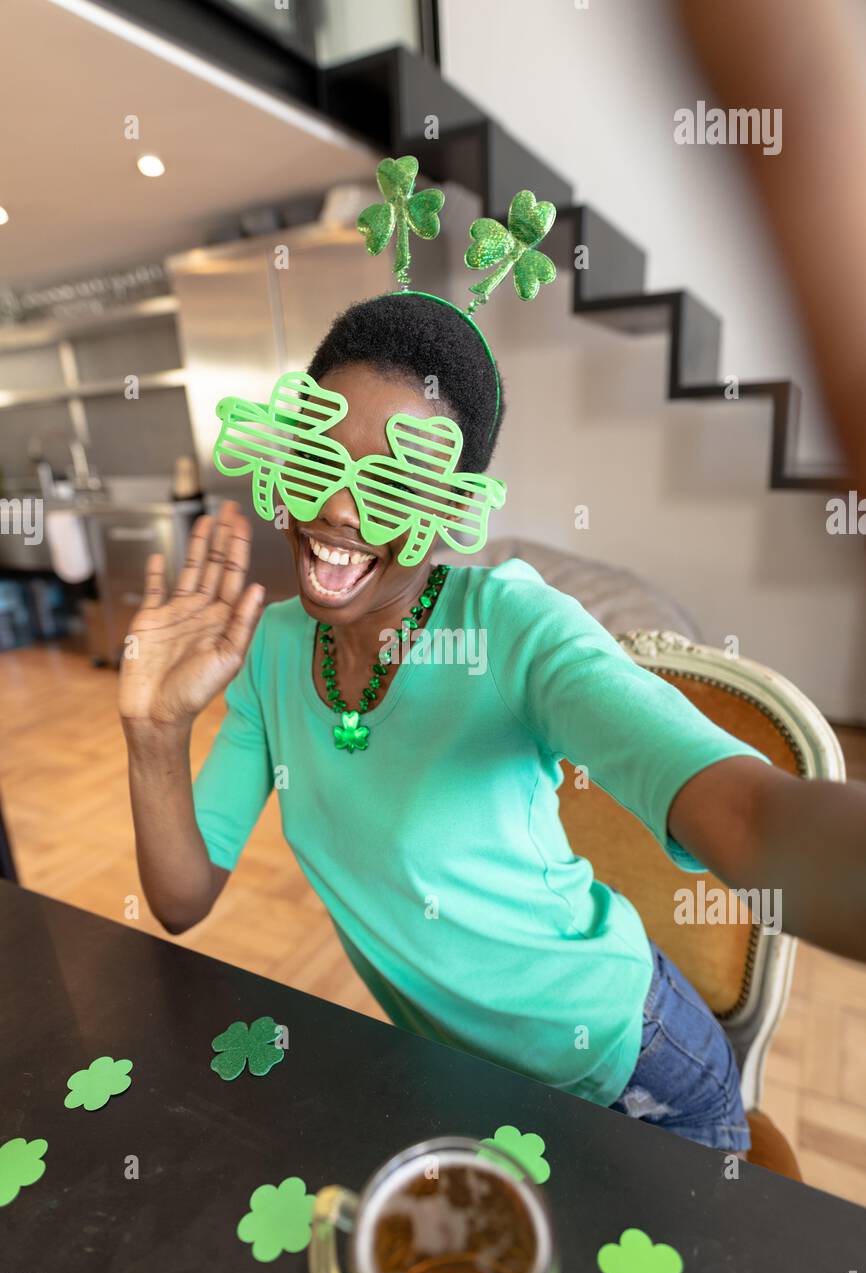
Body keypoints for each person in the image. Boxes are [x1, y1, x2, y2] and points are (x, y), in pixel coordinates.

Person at [119, 292, 866, 1157]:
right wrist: (154, 731)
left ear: (451, 510)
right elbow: (180, 901)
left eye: (394, 484)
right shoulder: (273, 651)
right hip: (455, 1081)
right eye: (318, 463)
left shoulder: (513, 630)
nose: (340, 513)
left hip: (628, 1072)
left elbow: (746, 814)